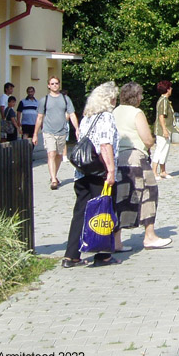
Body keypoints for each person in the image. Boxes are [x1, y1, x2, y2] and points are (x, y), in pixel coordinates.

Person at [62, 81, 121, 268]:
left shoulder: (87, 117)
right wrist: (111, 171)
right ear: (108, 98)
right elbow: (105, 145)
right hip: (99, 172)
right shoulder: (106, 117)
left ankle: (71, 255)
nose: (115, 101)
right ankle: (102, 255)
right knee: (102, 211)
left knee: (80, 212)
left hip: (82, 171)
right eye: (114, 97)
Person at [113, 82, 172, 250]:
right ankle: (149, 236)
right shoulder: (136, 113)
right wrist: (151, 141)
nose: (142, 98)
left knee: (121, 197)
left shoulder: (115, 111)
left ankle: (116, 241)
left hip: (118, 159)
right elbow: (147, 139)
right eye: (141, 95)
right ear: (136, 96)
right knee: (149, 193)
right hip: (135, 158)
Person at [33, 76, 80, 190]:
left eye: (56, 83)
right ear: (48, 85)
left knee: (59, 155)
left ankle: (55, 174)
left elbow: (72, 114)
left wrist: (77, 129)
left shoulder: (65, 99)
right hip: (48, 131)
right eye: (52, 83)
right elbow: (39, 117)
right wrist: (35, 134)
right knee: (51, 153)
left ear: (59, 85)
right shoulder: (44, 100)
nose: (54, 85)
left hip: (62, 131)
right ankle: (53, 179)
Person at [152, 80, 178, 179]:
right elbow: (161, 116)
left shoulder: (166, 100)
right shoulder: (163, 101)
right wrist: (164, 129)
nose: (171, 89)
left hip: (167, 129)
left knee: (165, 150)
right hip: (162, 130)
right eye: (170, 88)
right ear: (167, 89)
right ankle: (154, 171)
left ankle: (163, 171)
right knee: (160, 149)